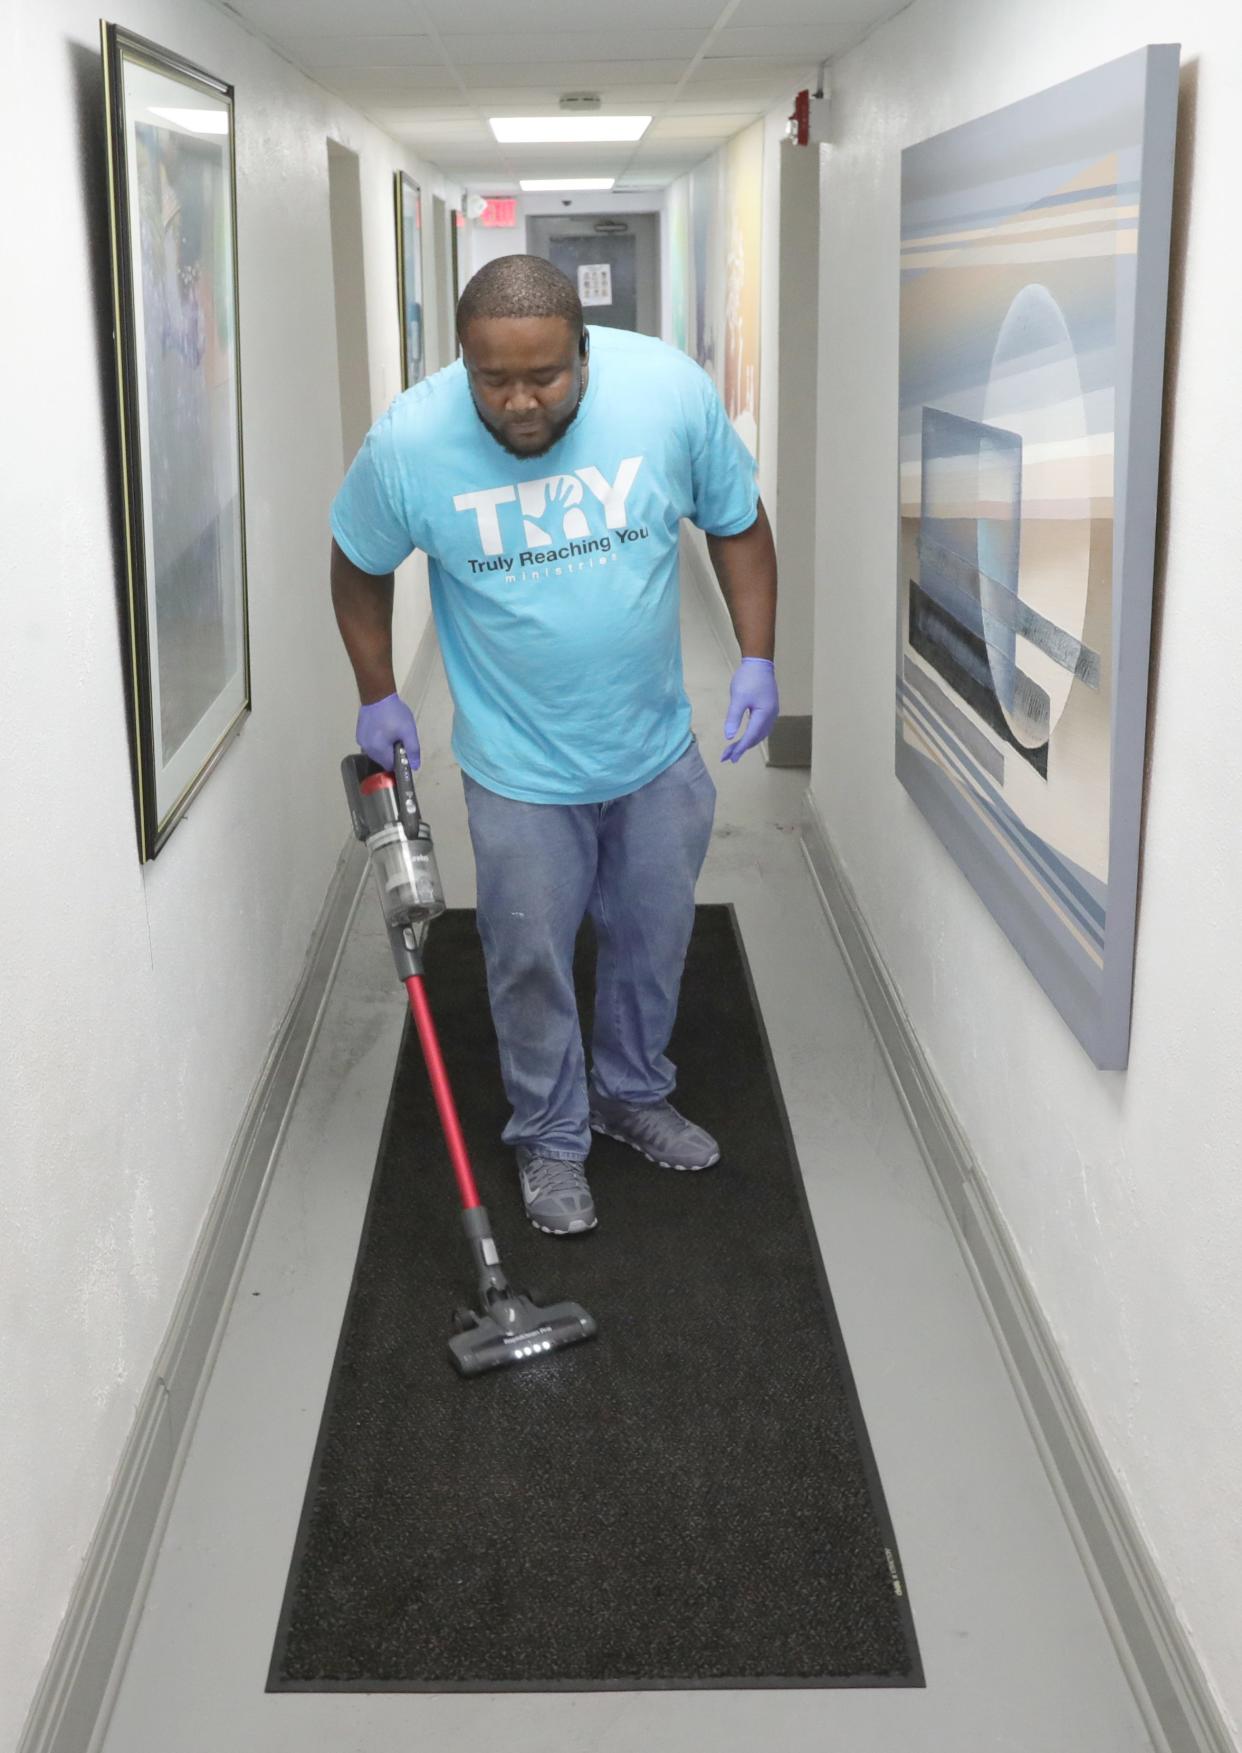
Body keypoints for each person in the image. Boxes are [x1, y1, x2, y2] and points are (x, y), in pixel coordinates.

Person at [329, 255, 779, 1237]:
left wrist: (756, 658)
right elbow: (359, 563)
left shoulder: (665, 394)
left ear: (585, 350)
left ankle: (629, 1089)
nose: (521, 401)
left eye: (546, 376)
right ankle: (549, 1133)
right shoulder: (410, 442)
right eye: (493, 380)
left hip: (656, 750)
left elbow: (737, 524)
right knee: (526, 957)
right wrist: (376, 693)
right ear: (463, 362)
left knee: (653, 940)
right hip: (518, 771)